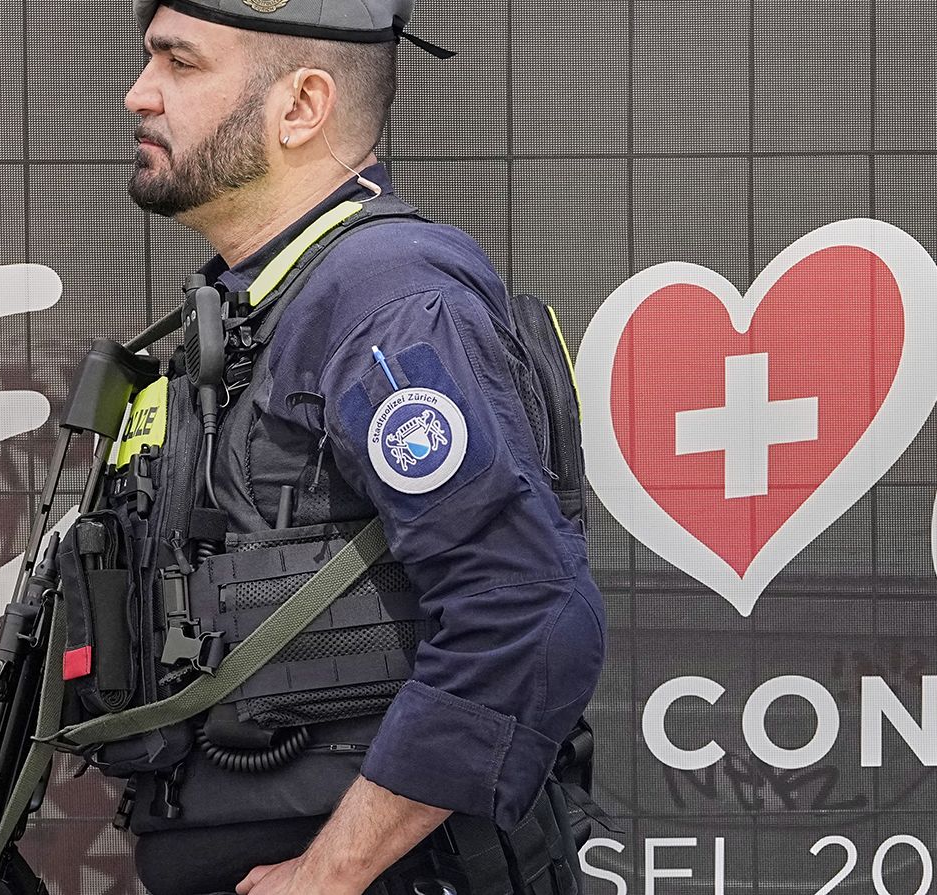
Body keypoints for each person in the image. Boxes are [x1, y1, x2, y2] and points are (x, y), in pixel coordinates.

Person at [114, 2, 606, 893]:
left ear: (301, 105)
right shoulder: (259, 306)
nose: (138, 94)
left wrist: (332, 872)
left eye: (179, 64)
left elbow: (527, 613)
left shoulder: (387, 299)